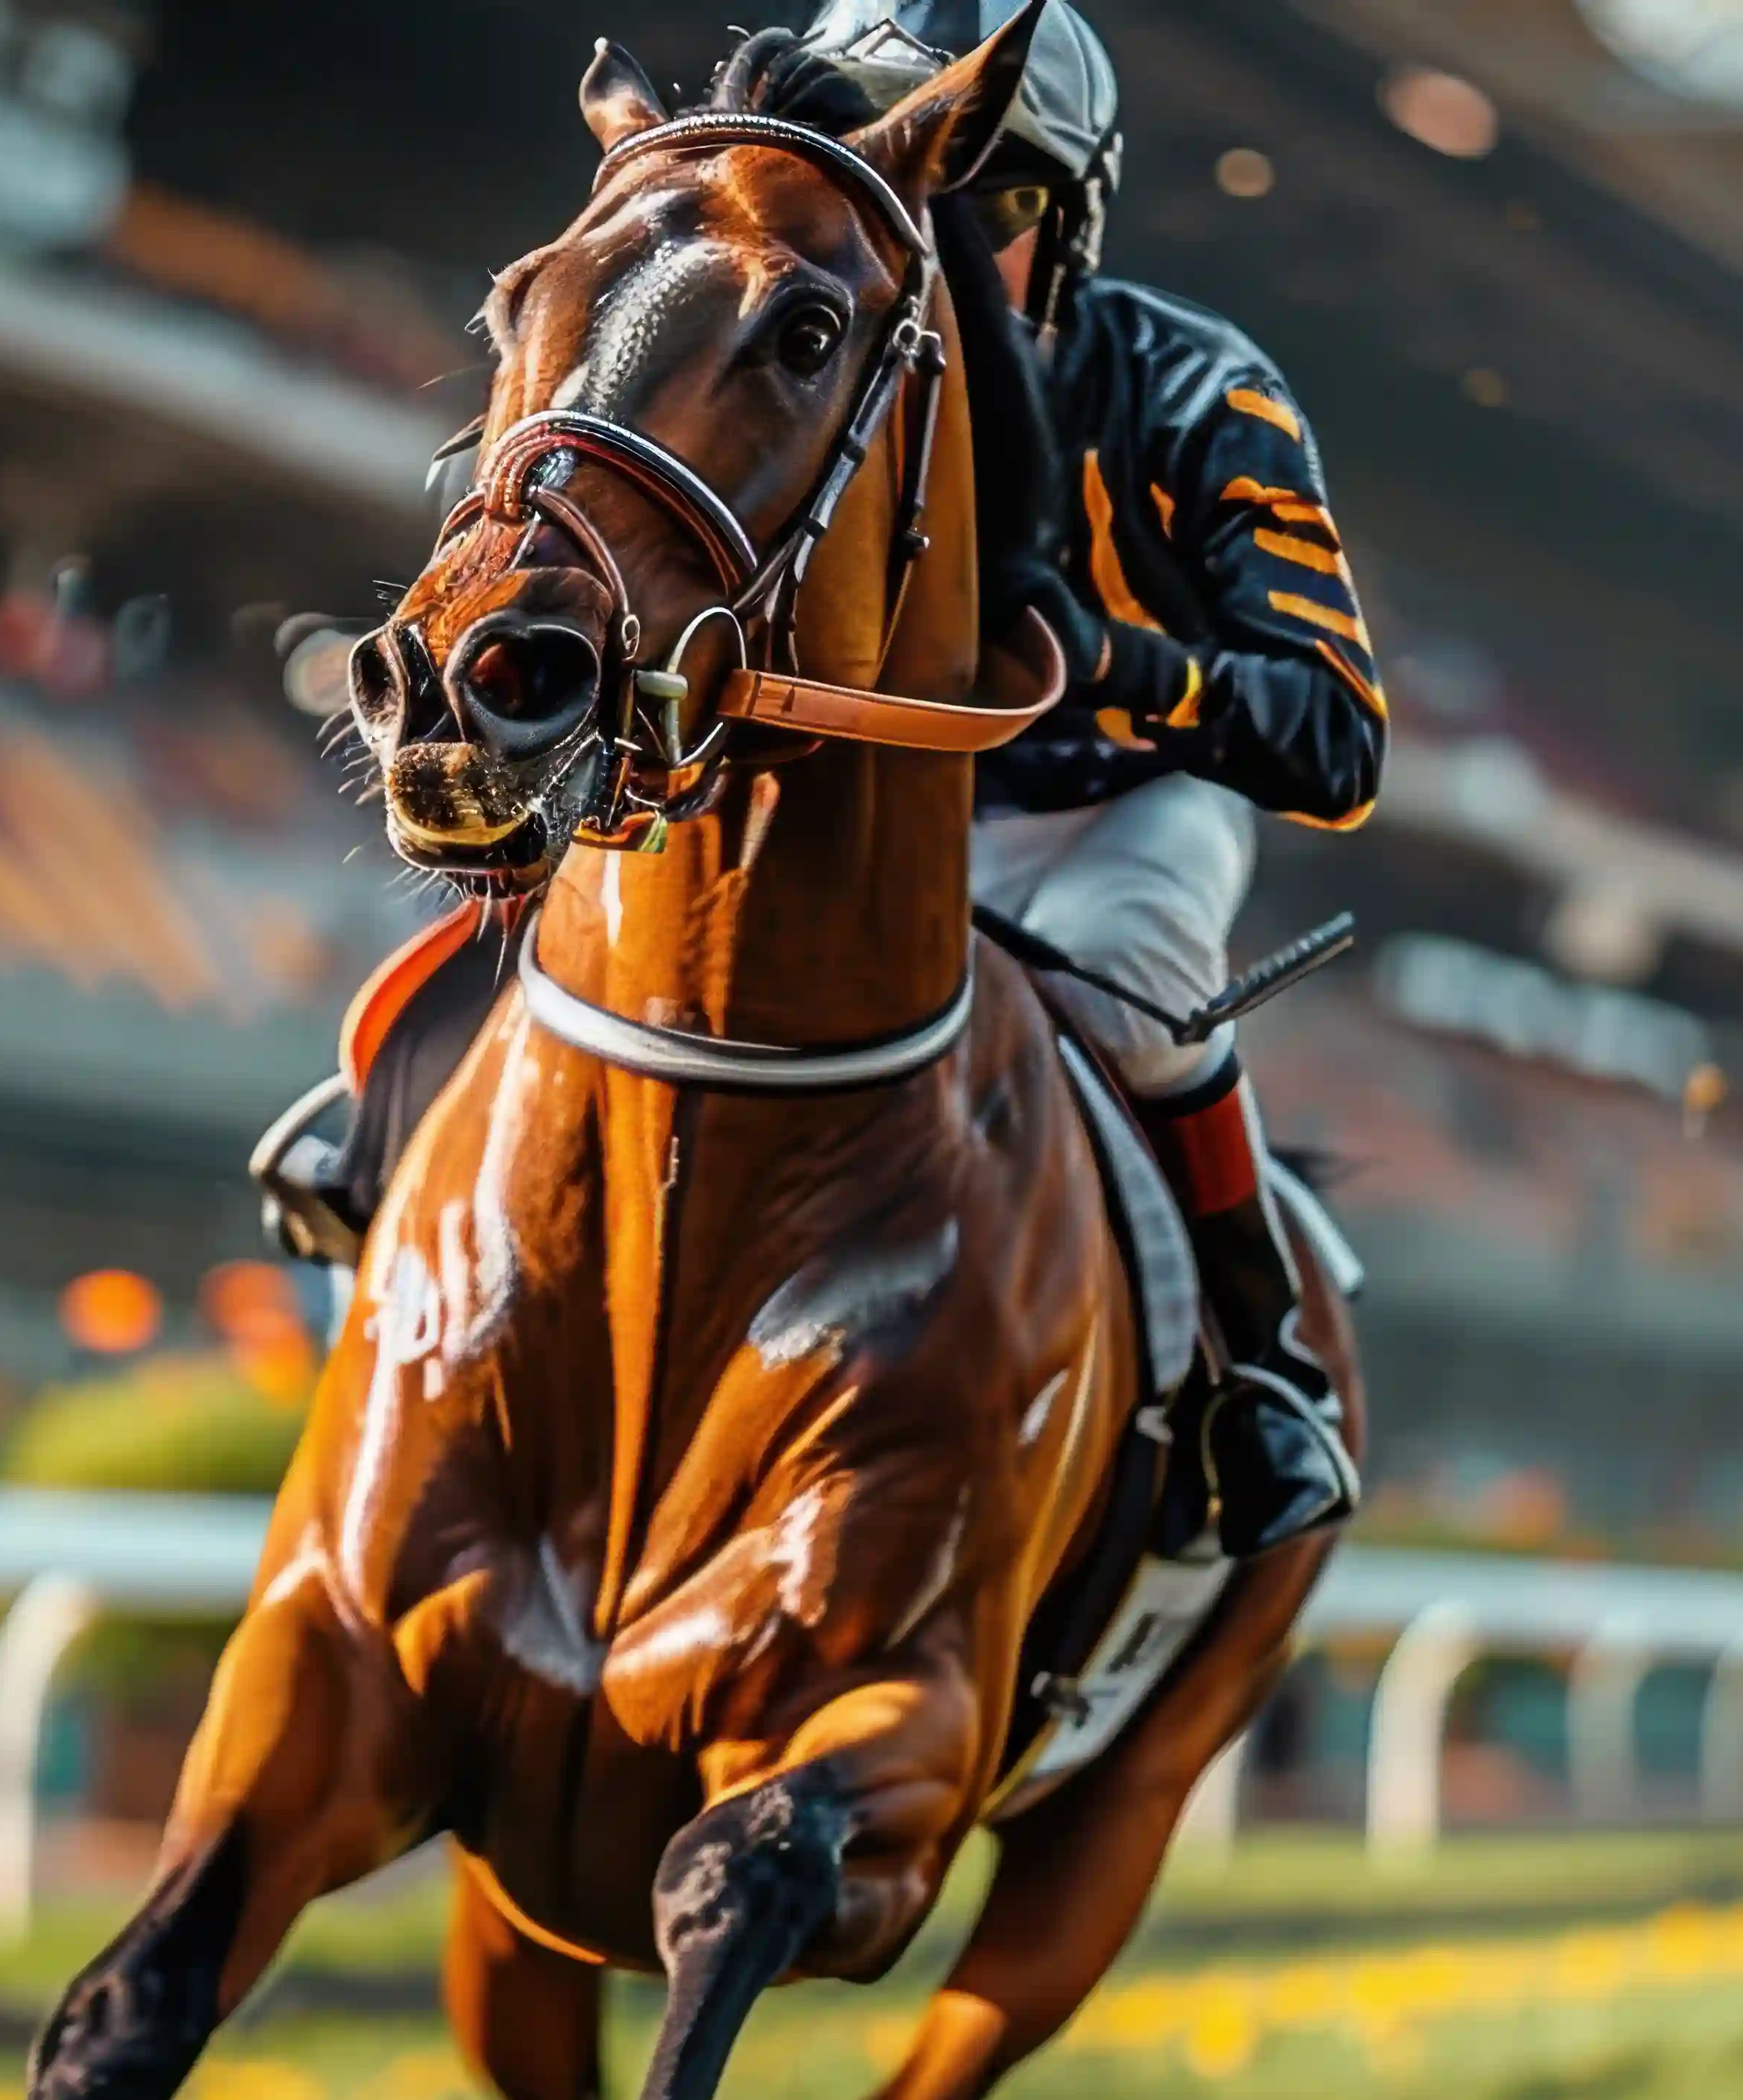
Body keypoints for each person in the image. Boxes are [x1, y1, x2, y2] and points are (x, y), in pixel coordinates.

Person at [259, 0, 1384, 1557]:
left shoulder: (1195, 386)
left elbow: (1333, 740)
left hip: (1110, 810)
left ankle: (1251, 1371)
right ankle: (385, 1116)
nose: (885, 222)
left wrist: (1119, 665)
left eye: (950, 198)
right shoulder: (790, 322)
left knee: (1129, 969)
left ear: (1054, 225)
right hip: (845, 795)